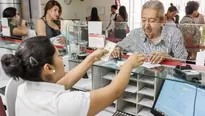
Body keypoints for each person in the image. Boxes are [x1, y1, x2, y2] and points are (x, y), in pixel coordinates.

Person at [1, 36, 145, 116]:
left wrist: (91, 58)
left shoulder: (23, 90)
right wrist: (129, 64)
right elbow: (114, 92)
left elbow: (66, 82)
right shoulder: (62, 103)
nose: (61, 59)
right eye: (58, 56)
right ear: (48, 68)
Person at [112, 1, 188, 64]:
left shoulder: (174, 34)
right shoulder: (135, 34)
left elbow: (183, 61)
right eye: (143, 20)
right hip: (139, 78)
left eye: (152, 21)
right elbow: (119, 46)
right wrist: (117, 49)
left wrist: (168, 58)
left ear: (162, 20)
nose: (146, 26)